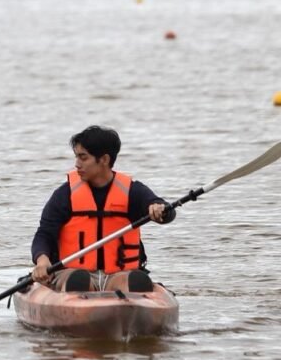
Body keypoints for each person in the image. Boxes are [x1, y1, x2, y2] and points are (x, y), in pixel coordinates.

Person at [30, 125, 175, 293]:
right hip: (72, 272)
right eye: (77, 157)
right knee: (78, 280)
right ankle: (77, 302)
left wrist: (159, 210)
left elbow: (165, 210)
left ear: (104, 159)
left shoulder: (132, 191)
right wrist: (42, 260)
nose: (77, 164)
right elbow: (44, 234)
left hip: (117, 274)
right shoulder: (65, 195)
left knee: (133, 281)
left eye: (83, 158)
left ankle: (133, 302)